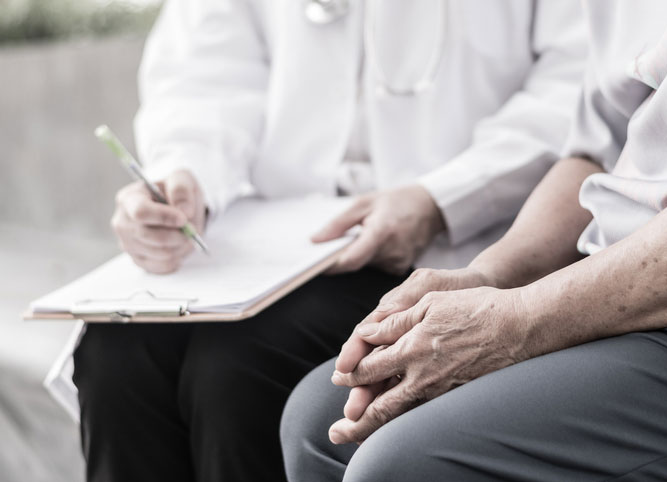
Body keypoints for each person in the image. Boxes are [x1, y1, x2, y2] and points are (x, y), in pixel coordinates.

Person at [55, 1, 586, 481]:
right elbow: (206, 71)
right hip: (269, 236)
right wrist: (186, 174)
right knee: (116, 350)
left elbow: (576, 83)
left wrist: (442, 197)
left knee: (239, 367)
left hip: (456, 240)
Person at [281, 0, 667, 480]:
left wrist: (523, 319)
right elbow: (597, 154)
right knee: (318, 418)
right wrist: (491, 276)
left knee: (406, 464)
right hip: (610, 274)